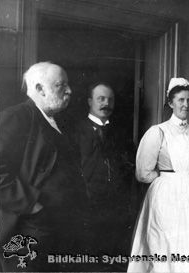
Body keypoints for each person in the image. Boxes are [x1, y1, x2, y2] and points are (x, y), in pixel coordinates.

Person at [0, 62, 89, 271]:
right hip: (28, 230)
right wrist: (32, 204)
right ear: (39, 89)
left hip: (58, 228)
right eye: (60, 85)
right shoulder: (16, 118)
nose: (69, 90)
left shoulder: (58, 122)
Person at [127, 78, 189, 273]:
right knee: (164, 246)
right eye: (181, 99)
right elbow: (142, 173)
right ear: (170, 103)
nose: (186, 104)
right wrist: (164, 177)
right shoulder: (158, 132)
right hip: (166, 197)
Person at [74, 82, 135, 270]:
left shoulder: (122, 134)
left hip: (116, 207)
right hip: (86, 205)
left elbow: (130, 167)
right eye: (101, 98)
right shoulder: (75, 132)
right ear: (90, 101)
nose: (106, 103)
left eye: (110, 99)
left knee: (114, 257)